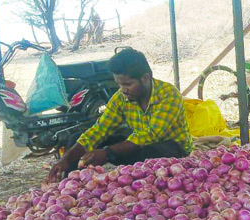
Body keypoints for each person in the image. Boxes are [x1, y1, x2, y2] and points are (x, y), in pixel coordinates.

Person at [47, 49, 193, 183]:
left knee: (148, 152)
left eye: (128, 84)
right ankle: (72, 185)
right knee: (75, 139)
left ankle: (142, 185)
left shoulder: (168, 94)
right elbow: (100, 129)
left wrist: (107, 153)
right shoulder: (120, 98)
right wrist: (67, 158)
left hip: (172, 150)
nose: (123, 90)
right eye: (119, 85)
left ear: (146, 78)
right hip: (138, 145)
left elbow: (151, 135)